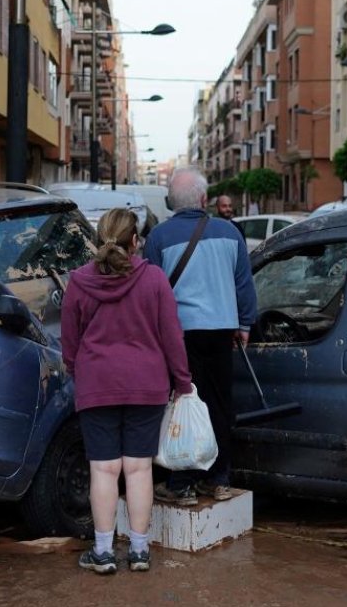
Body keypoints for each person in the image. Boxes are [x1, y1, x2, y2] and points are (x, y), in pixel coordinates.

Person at [60, 208, 193, 575]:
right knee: (138, 469)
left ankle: (103, 553)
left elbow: (69, 341)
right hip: (146, 385)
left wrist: (78, 369)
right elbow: (172, 337)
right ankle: (138, 551)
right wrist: (183, 382)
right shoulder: (153, 280)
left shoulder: (79, 282)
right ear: (136, 241)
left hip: (97, 383)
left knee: (102, 469)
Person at [145, 168, 257, 505]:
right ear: (205, 200)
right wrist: (245, 324)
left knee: (184, 404)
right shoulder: (229, 232)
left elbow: (150, 291)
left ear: (171, 203)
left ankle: (182, 483)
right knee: (220, 406)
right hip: (222, 331)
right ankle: (218, 478)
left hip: (179, 335)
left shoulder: (158, 238)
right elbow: (244, 284)